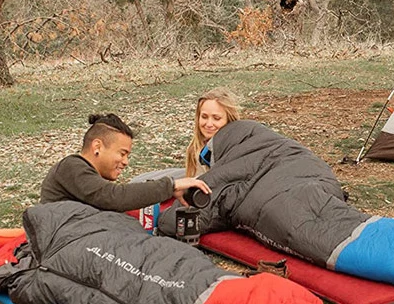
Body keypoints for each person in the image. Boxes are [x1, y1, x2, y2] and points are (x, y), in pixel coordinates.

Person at [40, 113, 210, 211]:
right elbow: (115, 197)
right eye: (122, 154)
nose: (125, 162)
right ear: (97, 146)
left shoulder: (89, 176)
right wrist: (171, 185)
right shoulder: (71, 167)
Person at [184, 88, 243, 176]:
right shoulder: (195, 148)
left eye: (216, 118)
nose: (209, 124)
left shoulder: (239, 151)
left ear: (230, 120)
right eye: (204, 117)